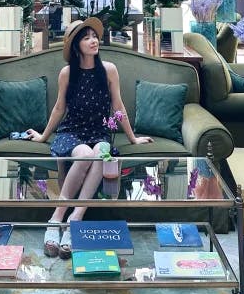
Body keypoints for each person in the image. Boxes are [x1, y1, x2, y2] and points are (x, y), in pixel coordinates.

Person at [26, 17, 153, 259]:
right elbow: (59, 108)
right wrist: (43, 136)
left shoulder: (109, 70)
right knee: (84, 153)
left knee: (102, 151)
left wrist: (133, 138)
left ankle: (75, 218)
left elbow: (118, 106)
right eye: (86, 38)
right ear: (76, 46)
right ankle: (57, 218)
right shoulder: (67, 73)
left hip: (99, 132)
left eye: (94, 36)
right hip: (72, 132)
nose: (94, 41)